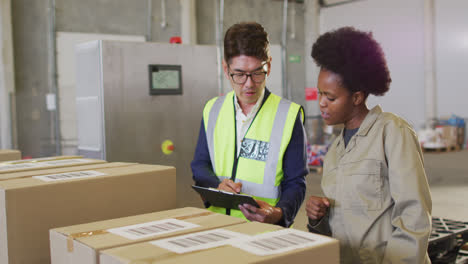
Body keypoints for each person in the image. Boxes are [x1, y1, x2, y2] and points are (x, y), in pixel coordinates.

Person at [305, 27, 432, 263]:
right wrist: (318, 218)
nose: (321, 103)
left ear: (357, 97)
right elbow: (339, 226)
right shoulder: (335, 151)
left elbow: (413, 217)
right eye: (320, 94)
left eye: (330, 97)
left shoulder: (392, 133)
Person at [191, 22, 308, 227]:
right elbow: (200, 165)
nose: (249, 84)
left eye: (257, 72)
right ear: (226, 69)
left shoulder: (288, 115)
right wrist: (216, 185)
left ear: (269, 66)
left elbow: (296, 182)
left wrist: (280, 214)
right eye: (239, 74)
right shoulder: (212, 109)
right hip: (216, 225)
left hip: (264, 230)